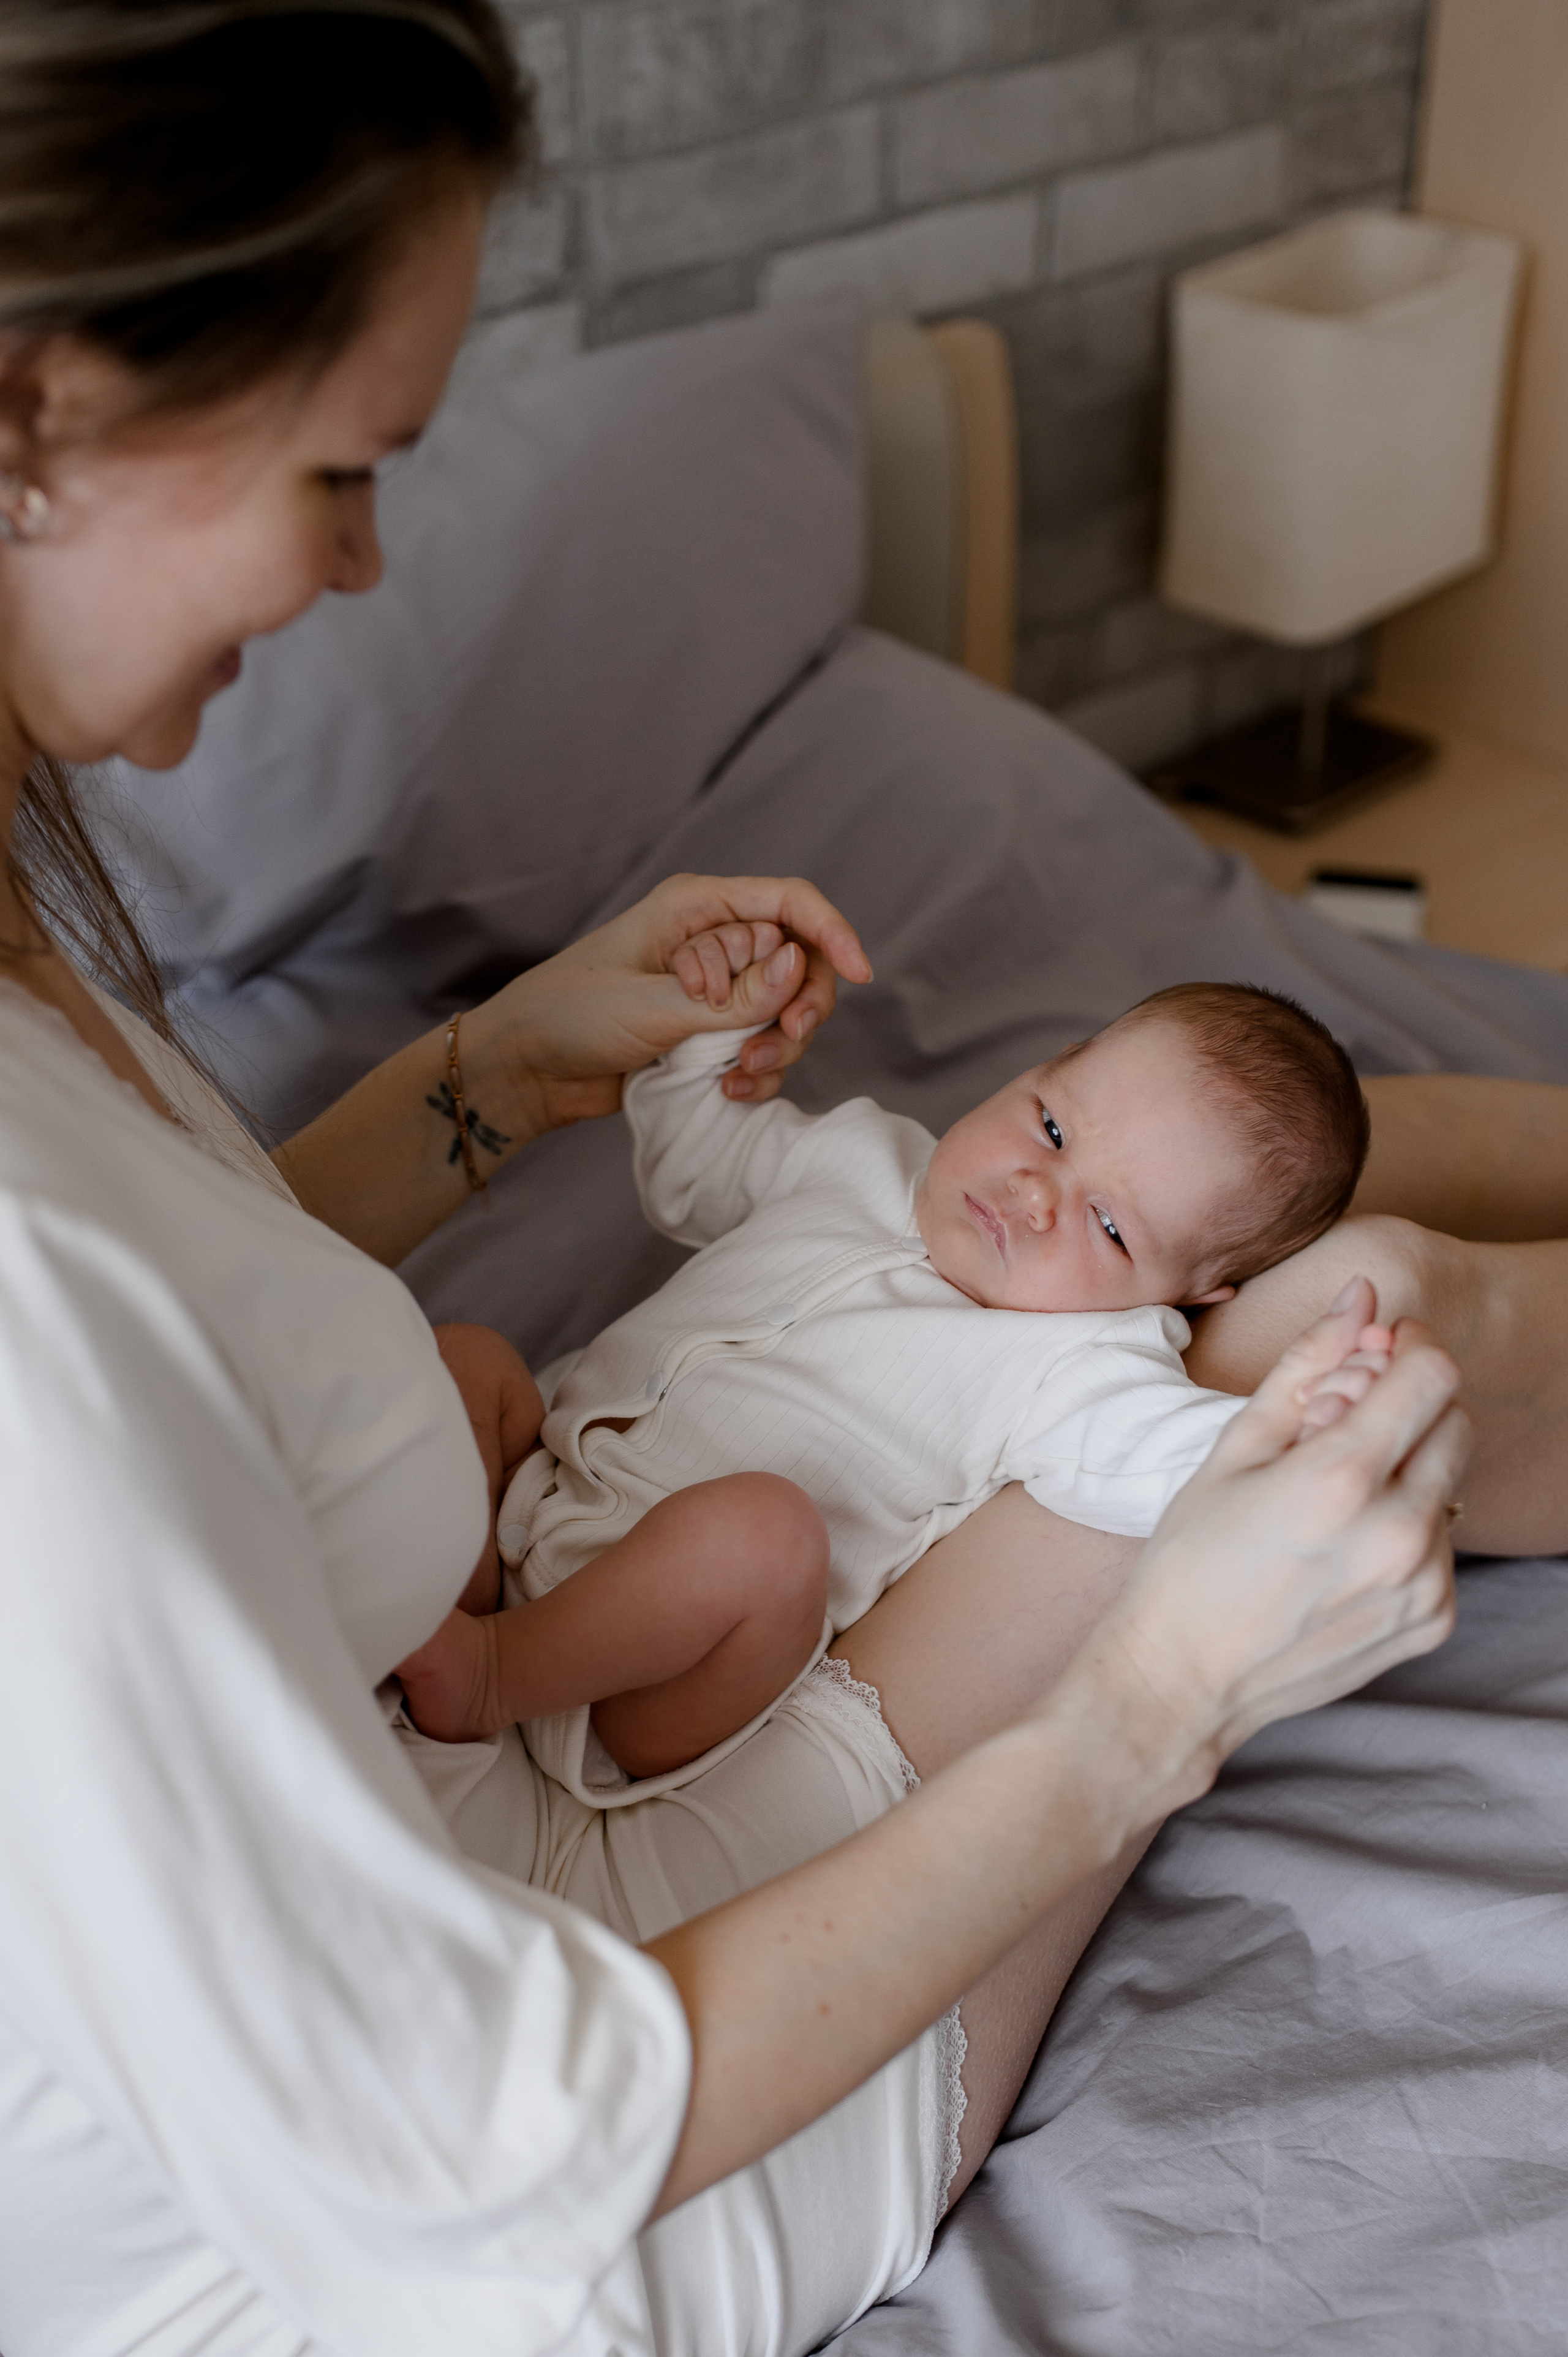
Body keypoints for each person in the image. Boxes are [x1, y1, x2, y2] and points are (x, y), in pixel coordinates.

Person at [0, 8, 1482, 2355]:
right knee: (1307, 1330)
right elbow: (451, 2171)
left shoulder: (23, 959)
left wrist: (496, 1069)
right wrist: (1151, 1718)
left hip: (467, 1816)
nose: (375, 564)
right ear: (43, 412)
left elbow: (188, 1316)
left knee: (1263, 1281)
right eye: (350, 467)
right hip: (516, 2178)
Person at [397, 981, 1382, 1801]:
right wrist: (715, 1037)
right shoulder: (861, 1153)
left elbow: (1176, 1462)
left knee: (763, 1535)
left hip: (665, 1680)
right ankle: (420, 1590)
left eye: (1112, 1228)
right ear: (1041, 1066)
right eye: (1049, 1124)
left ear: (1194, 1292)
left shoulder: (1083, 1363)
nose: (1035, 1193)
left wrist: (1308, 1421)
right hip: (539, 1497)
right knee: (467, 1359)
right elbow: (694, 1167)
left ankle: (489, 1680)